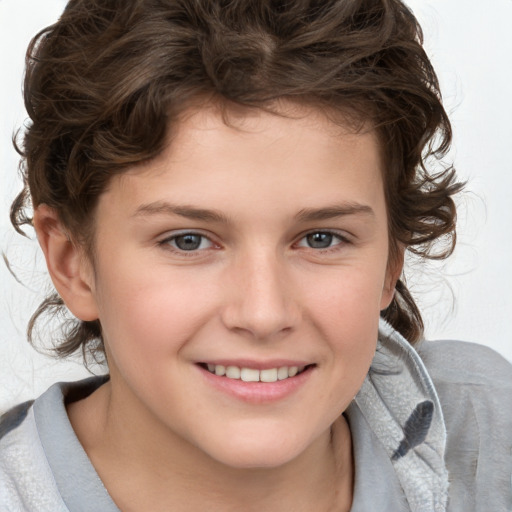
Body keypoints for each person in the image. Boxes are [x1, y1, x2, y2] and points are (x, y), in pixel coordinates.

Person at [0, 0, 511, 510]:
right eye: (188, 241)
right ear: (74, 265)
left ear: (390, 262)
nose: (263, 314)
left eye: (321, 239)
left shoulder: (485, 433)